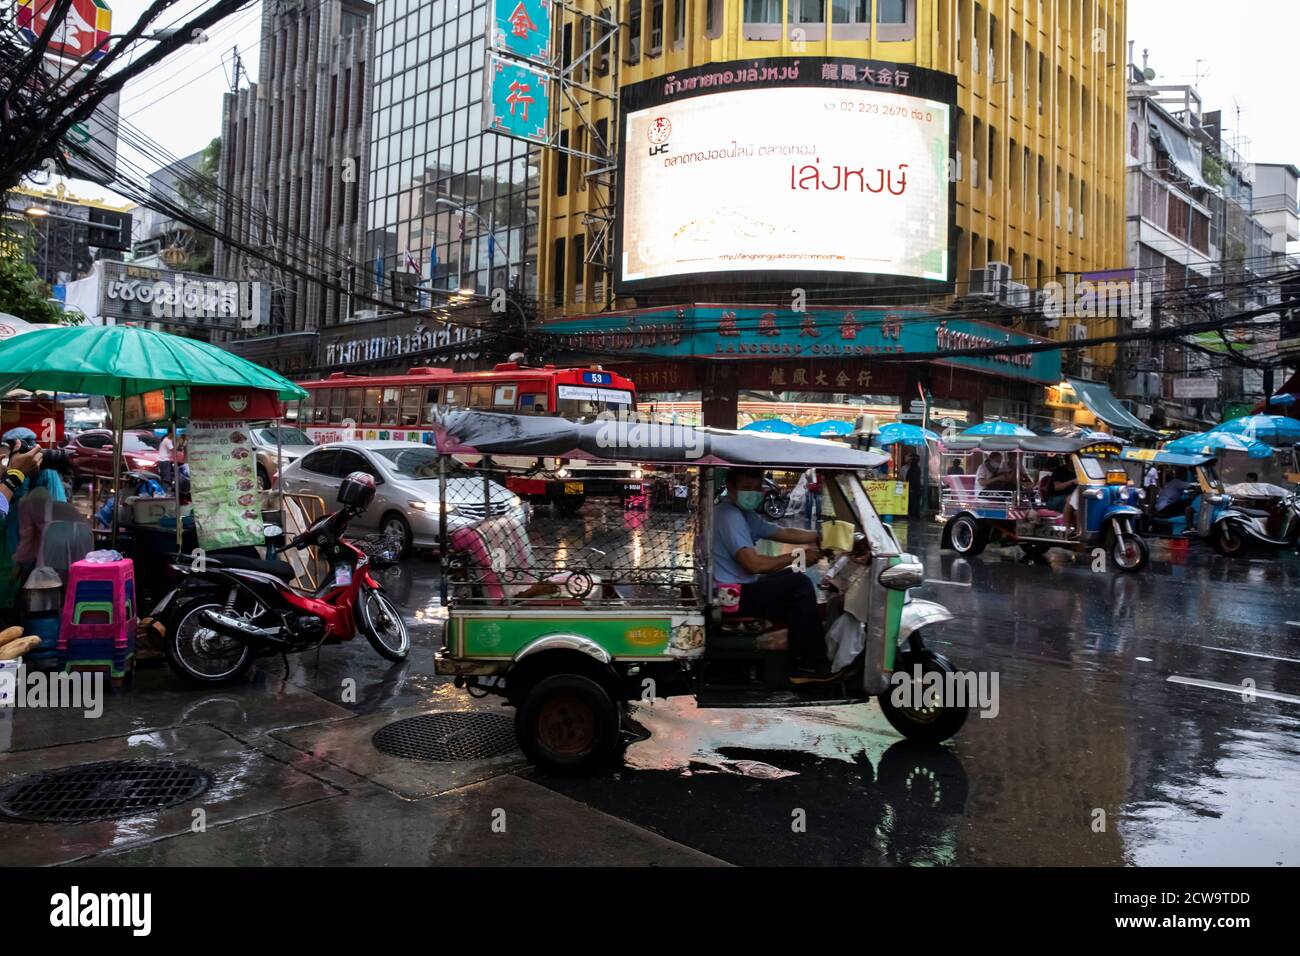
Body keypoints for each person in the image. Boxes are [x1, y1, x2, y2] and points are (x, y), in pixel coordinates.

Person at [713, 467, 829, 678]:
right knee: (799, 584)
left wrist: (822, 537)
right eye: (746, 487)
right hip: (731, 597)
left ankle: (791, 649)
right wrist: (799, 557)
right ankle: (806, 663)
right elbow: (754, 564)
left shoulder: (743, 514)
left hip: (739, 589)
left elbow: (782, 532)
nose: (753, 493)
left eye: (756, 488)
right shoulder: (729, 515)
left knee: (789, 578)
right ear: (730, 486)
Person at [901, 450, 924, 520]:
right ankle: (914, 515)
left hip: (913, 489)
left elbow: (912, 480)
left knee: (913, 503)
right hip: (915, 489)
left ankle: (913, 515)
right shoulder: (916, 468)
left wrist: (910, 487)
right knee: (914, 503)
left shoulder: (913, 469)